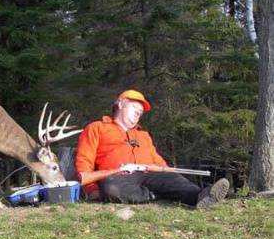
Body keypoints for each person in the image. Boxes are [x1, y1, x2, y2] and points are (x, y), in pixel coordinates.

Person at [75, 89, 229, 209]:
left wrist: (171, 175)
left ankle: (202, 196)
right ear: (121, 104)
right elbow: (84, 162)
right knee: (111, 188)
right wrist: (91, 189)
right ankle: (156, 195)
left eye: (141, 112)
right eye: (135, 107)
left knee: (172, 179)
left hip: (150, 175)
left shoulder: (143, 135)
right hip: (120, 178)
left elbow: (157, 160)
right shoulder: (97, 128)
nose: (138, 112)